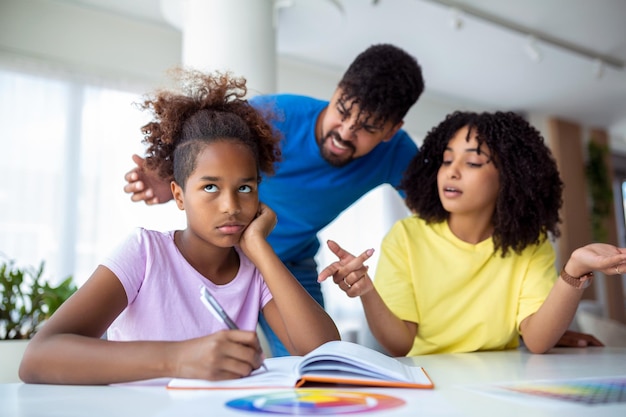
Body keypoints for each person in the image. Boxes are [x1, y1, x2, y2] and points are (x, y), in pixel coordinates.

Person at [19, 69, 340, 385]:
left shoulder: (256, 270)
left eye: (245, 188)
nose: (231, 206)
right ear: (178, 195)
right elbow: (37, 359)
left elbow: (326, 355)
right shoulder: (144, 252)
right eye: (211, 187)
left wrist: (259, 247)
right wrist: (179, 359)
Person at [123, 43, 425, 356]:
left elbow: (437, 217)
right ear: (336, 92)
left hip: (292, 265)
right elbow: (202, 152)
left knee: (318, 366)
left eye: (368, 128)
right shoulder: (274, 115)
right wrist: (168, 176)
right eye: (343, 112)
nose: (345, 133)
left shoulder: (397, 153)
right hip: (222, 257)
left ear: (391, 131)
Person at [318, 111, 618, 356]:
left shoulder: (530, 243)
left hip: (506, 380)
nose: (452, 171)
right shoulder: (407, 236)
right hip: (430, 383)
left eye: (472, 162)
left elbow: (537, 340)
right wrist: (367, 291)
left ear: (510, 178)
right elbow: (399, 344)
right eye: (447, 160)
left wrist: (574, 269)